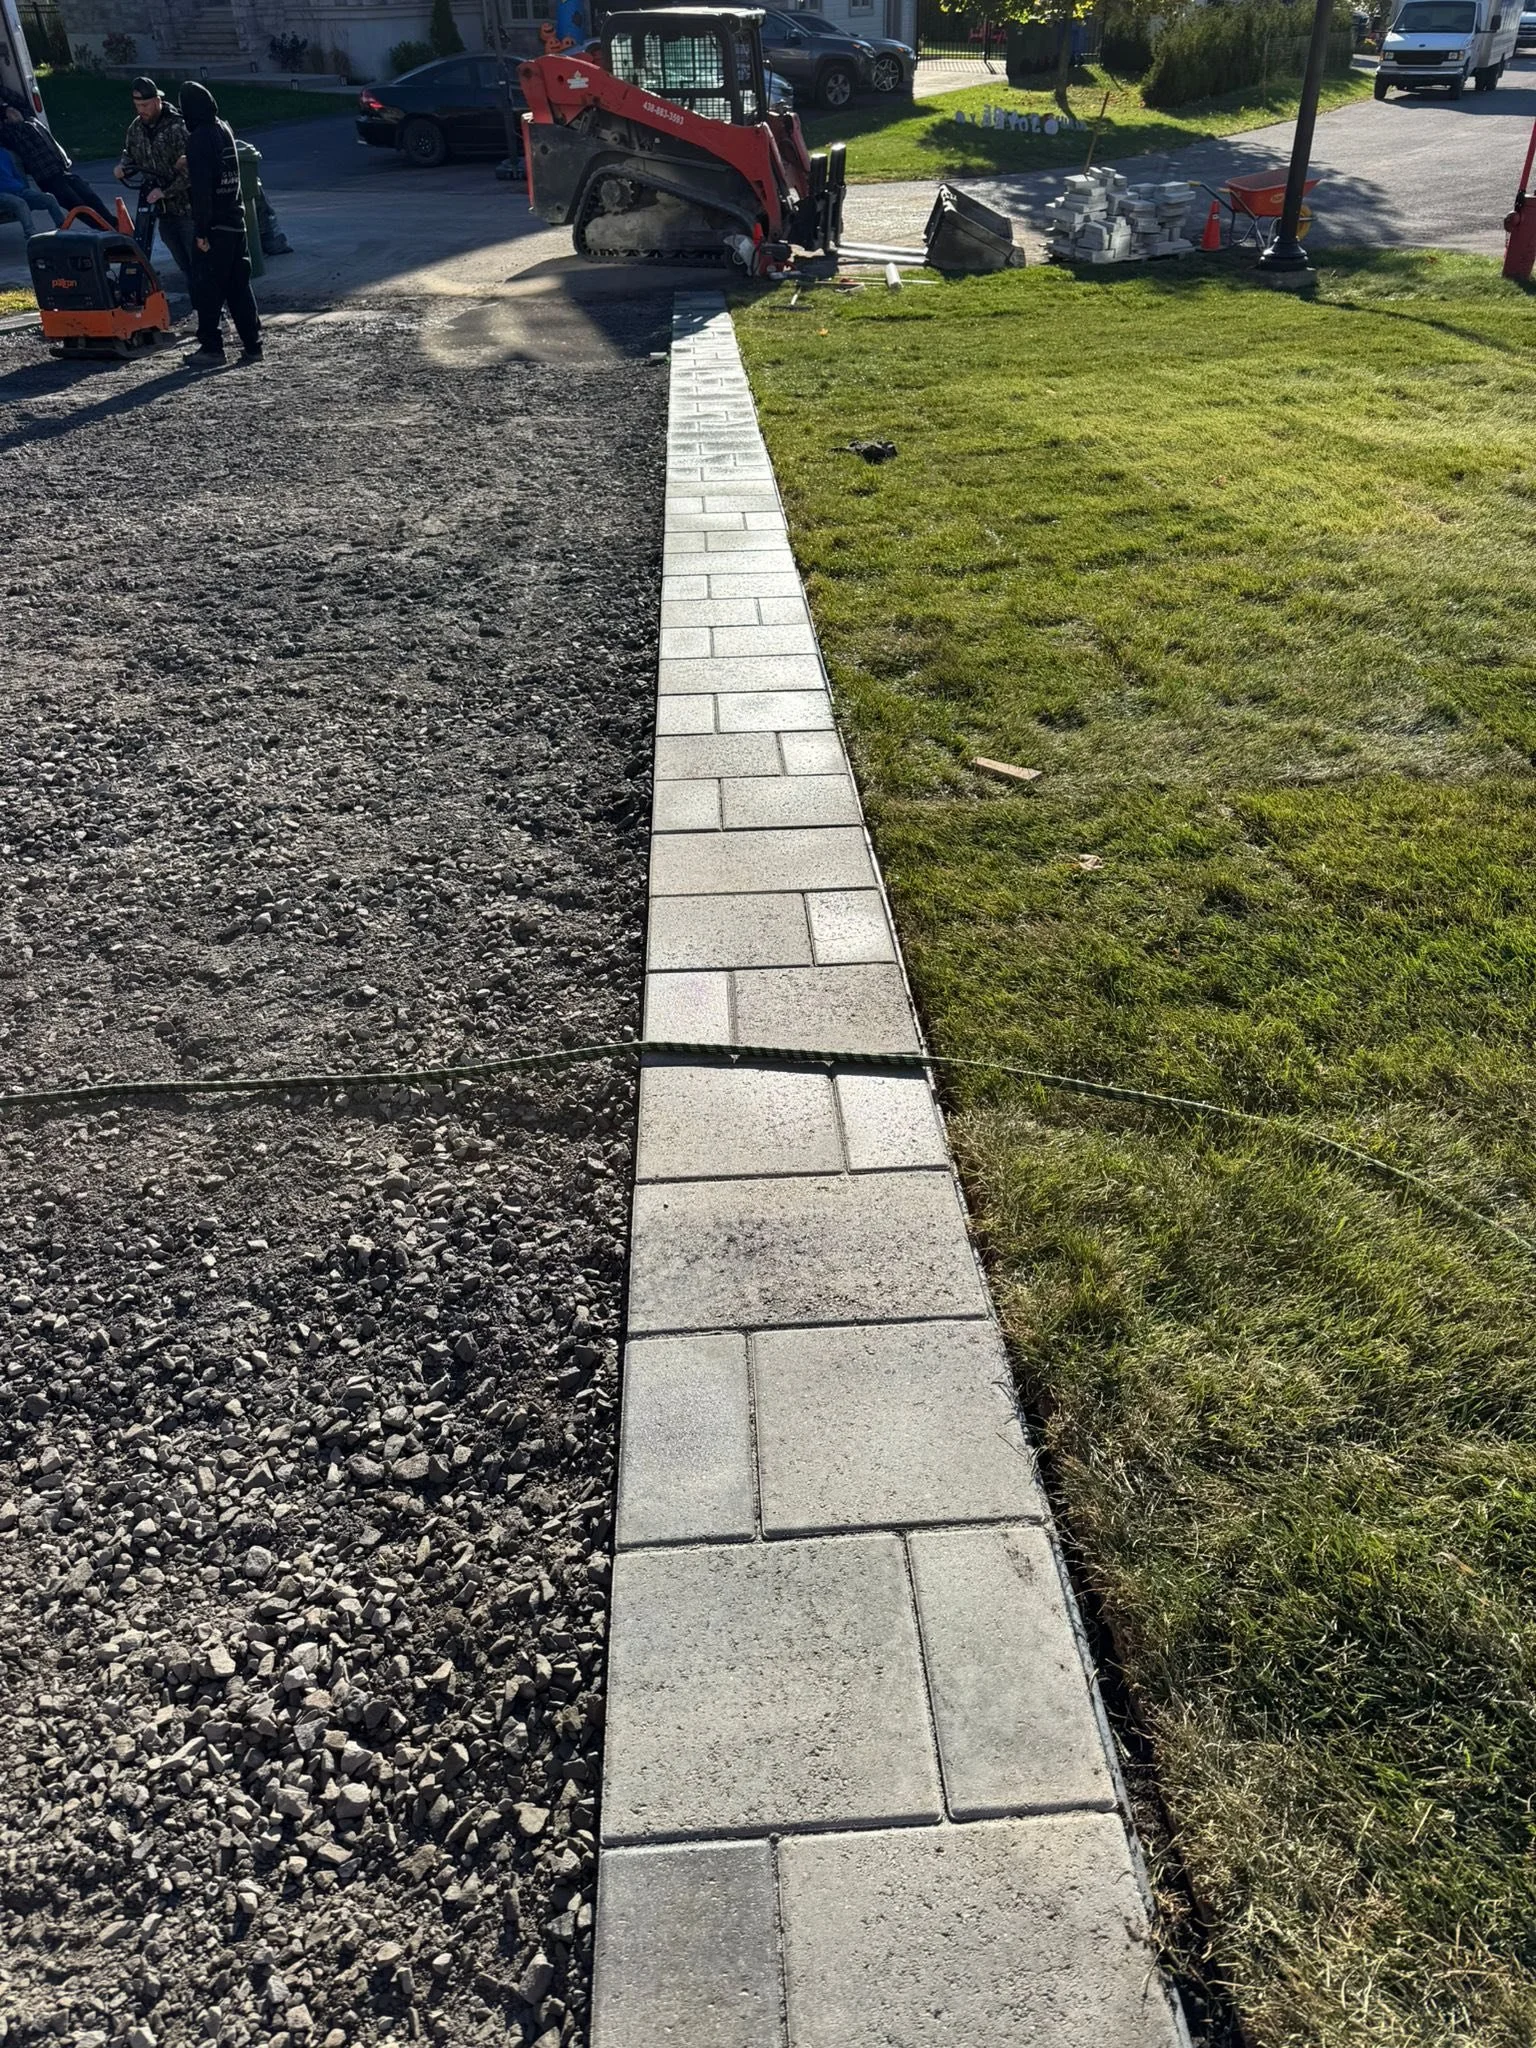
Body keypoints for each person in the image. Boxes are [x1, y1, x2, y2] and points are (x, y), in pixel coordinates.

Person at [179, 81, 261, 365]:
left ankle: (211, 347)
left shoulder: (199, 138)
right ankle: (253, 345)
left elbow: (203, 189)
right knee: (239, 287)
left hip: (214, 228)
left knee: (207, 289)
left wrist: (201, 231)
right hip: (236, 223)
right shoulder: (223, 129)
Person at [114, 76, 195, 286]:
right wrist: (123, 168)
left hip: (188, 209)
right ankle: (200, 304)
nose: (142, 110)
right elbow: (130, 154)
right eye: (137, 105)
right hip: (161, 211)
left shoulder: (178, 126)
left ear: (157, 101)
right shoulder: (136, 128)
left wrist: (165, 192)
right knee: (183, 263)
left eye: (146, 105)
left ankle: (214, 306)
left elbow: (192, 170)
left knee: (198, 263)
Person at [0, 89, 111, 222]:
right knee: (77, 205)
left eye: (13, 109)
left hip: (62, 170)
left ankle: (113, 223)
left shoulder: (30, 119)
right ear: (6, 121)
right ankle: (103, 228)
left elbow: (18, 101)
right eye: (9, 112)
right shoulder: (11, 135)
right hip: (48, 178)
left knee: (90, 197)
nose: (13, 110)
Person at [0, 141, 64, 236]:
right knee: (20, 203)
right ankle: (31, 234)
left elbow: (16, 173)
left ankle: (63, 226)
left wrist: (22, 186)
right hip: (2, 193)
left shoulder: (5, 153)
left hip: (19, 189)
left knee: (49, 199)